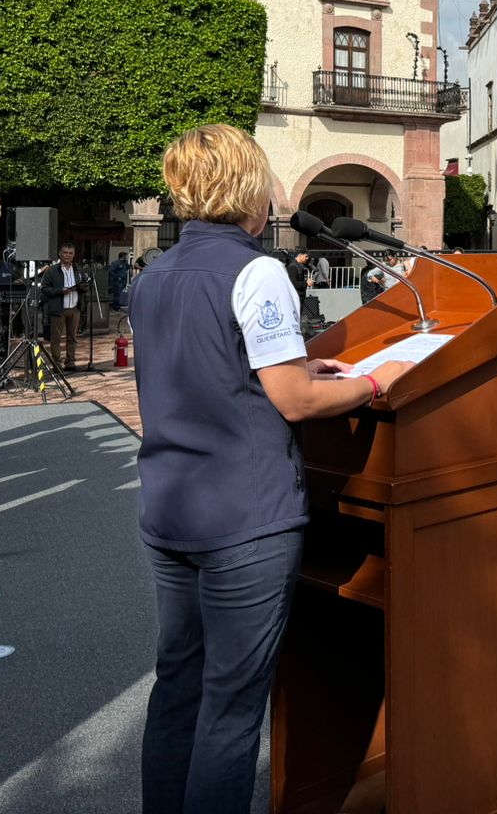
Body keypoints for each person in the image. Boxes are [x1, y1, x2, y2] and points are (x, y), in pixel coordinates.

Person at [129, 124, 410, 814]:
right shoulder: (256, 269)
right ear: (248, 190)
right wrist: (377, 381)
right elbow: (295, 398)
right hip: (244, 519)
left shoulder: (152, 275)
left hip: (171, 507)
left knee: (178, 687)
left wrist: (296, 363)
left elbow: (204, 367)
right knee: (230, 708)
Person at [39, 242, 85, 371]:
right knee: (56, 338)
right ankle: (56, 363)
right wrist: (60, 290)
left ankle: (70, 362)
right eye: (65, 253)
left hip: (75, 307)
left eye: (70, 253)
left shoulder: (78, 269)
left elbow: (84, 282)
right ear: (60, 253)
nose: (67, 255)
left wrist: (83, 287)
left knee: (73, 337)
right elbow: (44, 288)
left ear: (74, 254)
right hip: (58, 308)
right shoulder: (52, 270)